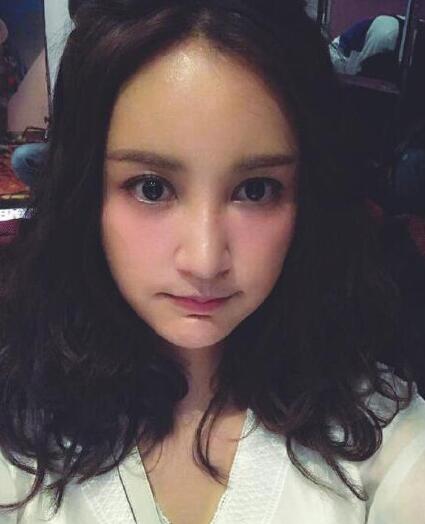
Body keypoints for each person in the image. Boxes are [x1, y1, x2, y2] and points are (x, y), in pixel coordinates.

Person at [0, 1, 424, 523]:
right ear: (85, 194)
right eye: (151, 188)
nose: (204, 261)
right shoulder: (20, 431)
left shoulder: (379, 434)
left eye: (256, 190)